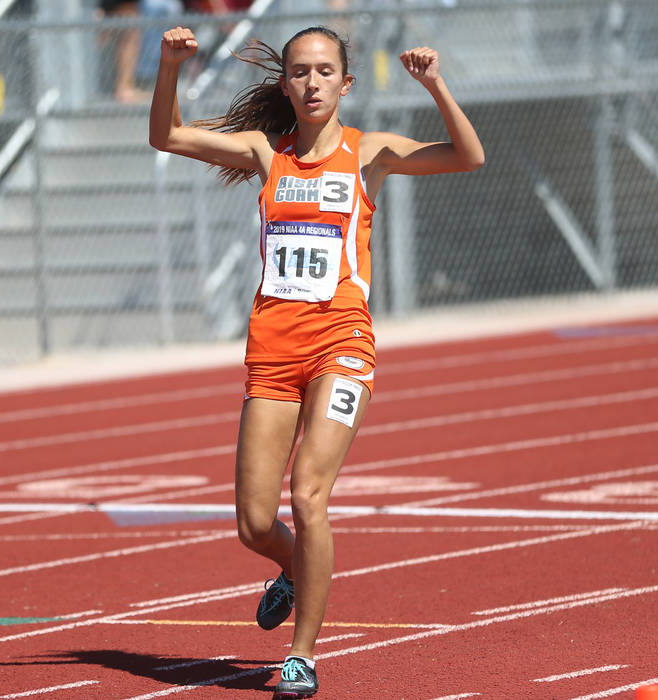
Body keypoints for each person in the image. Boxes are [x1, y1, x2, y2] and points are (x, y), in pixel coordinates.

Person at [149, 24, 484, 699]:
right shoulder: (264, 154)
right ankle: (294, 569)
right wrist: (168, 66)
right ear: (286, 84)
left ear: (345, 83)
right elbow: (168, 137)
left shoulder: (371, 154)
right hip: (273, 353)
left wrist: (434, 85)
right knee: (252, 521)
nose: (311, 82)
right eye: (300, 71)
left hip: (341, 346)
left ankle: (302, 654)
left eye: (325, 71)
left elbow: (468, 157)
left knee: (308, 494)